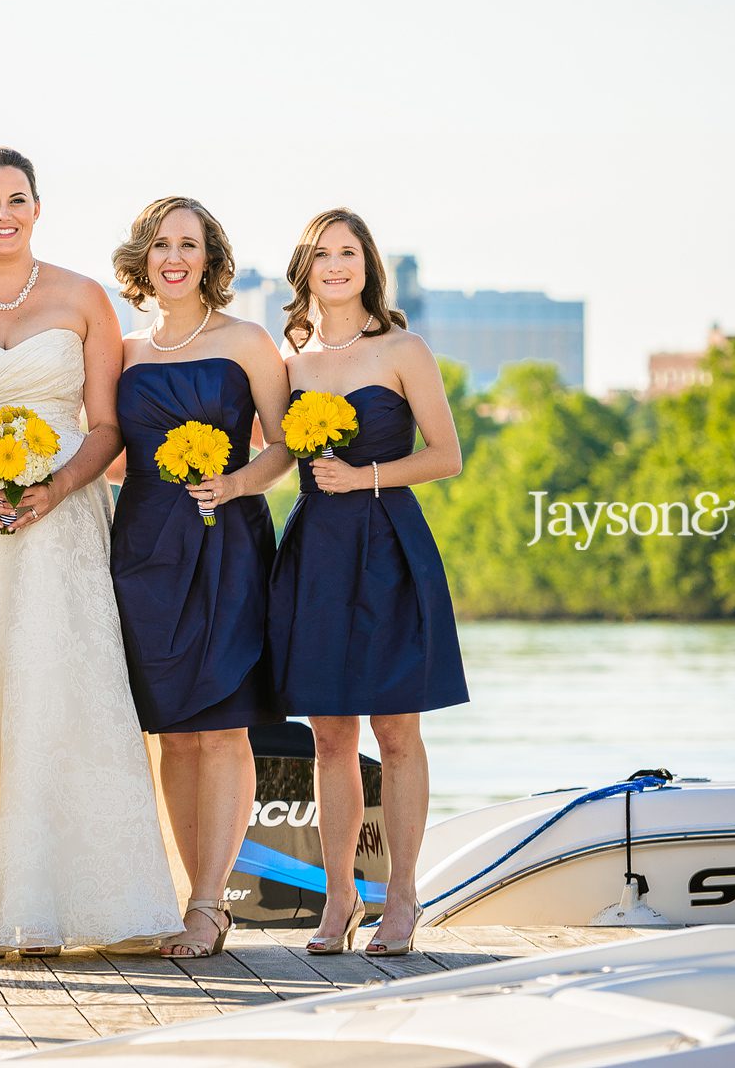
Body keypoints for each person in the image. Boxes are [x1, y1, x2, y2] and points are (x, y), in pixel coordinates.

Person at [0, 146, 181, 953]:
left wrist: (54, 488)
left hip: (67, 523)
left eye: (17, 197)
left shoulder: (84, 297)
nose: (3, 211)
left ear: (38, 208)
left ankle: (67, 905)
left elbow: (109, 424)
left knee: (62, 688)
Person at [267, 207, 467, 958]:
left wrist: (365, 476)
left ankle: (404, 894)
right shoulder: (291, 358)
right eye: (322, 254)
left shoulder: (404, 348)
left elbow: (447, 455)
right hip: (315, 551)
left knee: (398, 730)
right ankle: (340, 895)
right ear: (306, 270)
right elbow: (273, 455)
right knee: (328, 736)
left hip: (389, 545)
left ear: (368, 264)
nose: (336, 265)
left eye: (348, 252)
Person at [107, 196, 295, 958]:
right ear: (143, 258)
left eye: (188, 244)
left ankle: (211, 902)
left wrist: (236, 485)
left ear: (211, 259)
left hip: (229, 542)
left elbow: (284, 449)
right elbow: (112, 452)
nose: (174, 257)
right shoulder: (121, 351)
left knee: (220, 727)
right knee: (168, 734)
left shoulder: (249, 341)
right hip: (145, 546)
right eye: (161, 244)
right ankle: (179, 890)